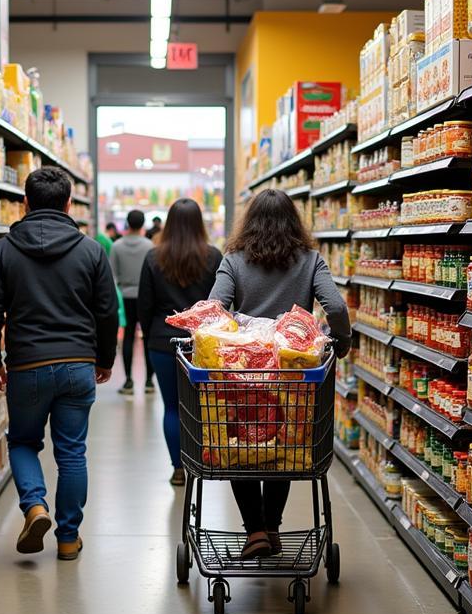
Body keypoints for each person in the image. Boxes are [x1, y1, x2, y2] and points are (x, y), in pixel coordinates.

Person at [0, 166, 119, 561]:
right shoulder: (91, 250)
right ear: (69, 203)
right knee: (72, 452)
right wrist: (104, 359)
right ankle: (69, 538)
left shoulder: (3, 251)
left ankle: (35, 506)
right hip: (77, 364)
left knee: (23, 441)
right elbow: (107, 312)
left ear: (25, 203)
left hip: (27, 365)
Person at [209, 188, 351, 560]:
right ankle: (271, 526)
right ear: (294, 222)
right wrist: (342, 340)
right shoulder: (310, 260)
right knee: (285, 445)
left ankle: (254, 529)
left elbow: (214, 309)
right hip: (293, 374)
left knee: (238, 445)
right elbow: (334, 305)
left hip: (244, 375)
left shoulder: (235, 260)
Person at [137, 198, 222, 487]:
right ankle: (199, 461)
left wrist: (150, 339)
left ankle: (178, 468)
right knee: (201, 407)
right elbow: (222, 304)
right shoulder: (213, 257)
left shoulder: (153, 258)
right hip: (204, 344)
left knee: (171, 408)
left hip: (163, 342)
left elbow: (144, 306)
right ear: (200, 224)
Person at [109, 209, 155, 395]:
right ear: (143, 224)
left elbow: (112, 275)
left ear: (127, 223)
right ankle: (149, 382)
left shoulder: (117, 246)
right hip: (146, 297)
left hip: (125, 296)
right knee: (147, 338)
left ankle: (128, 381)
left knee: (128, 337)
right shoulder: (149, 246)